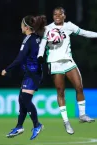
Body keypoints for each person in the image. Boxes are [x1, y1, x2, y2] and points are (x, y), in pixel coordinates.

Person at [38, 7, 97, 135]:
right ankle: (66, 122)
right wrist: (40, 56)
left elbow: (84, 32)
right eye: (55, 14)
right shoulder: (48, 29)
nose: (57, 16)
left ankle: (82, 115)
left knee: (79, 87)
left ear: (64, 16)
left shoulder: (69, 26)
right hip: (54, 63)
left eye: (60, 14)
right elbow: (42, 44)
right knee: (60, 92)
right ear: (53, 16)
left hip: (68, 61)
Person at [1, 15, 47, 140]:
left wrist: (7, 69)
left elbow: (20, 58)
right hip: (34, 73)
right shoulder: (38, 38)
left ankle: (37, 125)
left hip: (32, 74)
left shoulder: (28, 39)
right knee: (22, 99)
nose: (20, 27)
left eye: (22, 25)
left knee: (25, 99)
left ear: (26, 27)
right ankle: (19, 126)